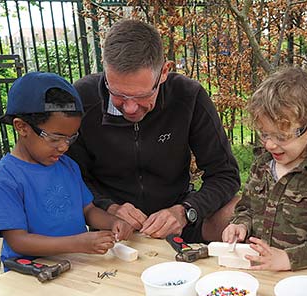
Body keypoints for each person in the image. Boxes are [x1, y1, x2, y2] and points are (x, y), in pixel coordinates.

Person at [67, 19, 240, 243]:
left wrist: (186, 211)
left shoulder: (188, 96)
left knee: (238, 210)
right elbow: (71, 177)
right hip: (112, 227)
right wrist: (109, 207)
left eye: (141, 96)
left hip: (179, 221)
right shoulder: (82, 99)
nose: (130, 108)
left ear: (164, 72)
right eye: (118, 94)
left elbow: (225, 174)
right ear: (105, 68)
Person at [0, 72, 132, 267]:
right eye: (55, 138)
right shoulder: (3, 180)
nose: (64, 147)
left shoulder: (67, 165)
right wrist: (78, 243)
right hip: (30, 275)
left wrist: (112, 222)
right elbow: (18, 241)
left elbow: (88, 210)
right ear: (21, 127)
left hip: (75, 264)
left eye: (71, 138)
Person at [222, 67, 307, 271]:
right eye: (264, 134)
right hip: (259, 271)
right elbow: (246, 207)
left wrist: (288, 259)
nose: (270, 145)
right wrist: (241, 224)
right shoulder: (262, 166)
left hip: (304, 281)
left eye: (281, 137)